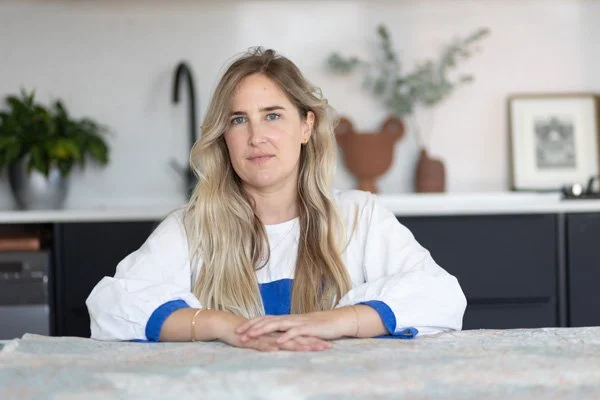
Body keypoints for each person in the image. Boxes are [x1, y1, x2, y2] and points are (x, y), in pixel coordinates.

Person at [86, 48, 467, 352]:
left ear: (306, 126)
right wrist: (226, 326)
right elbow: (113, 306)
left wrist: (331, 321)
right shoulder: (190, 228)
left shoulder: (360, 216)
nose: (256, 137)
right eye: (238, 120)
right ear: (224, 137)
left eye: (272, 116)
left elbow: (441, 296)